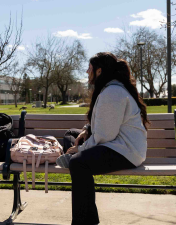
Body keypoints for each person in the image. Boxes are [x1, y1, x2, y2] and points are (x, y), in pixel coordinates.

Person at [57, 52, 149, 225]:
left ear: (99, 71)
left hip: (125, 151)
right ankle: (70, 156)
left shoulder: (113, 92)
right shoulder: (111, 89)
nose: (86, 72)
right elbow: (104, 124)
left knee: (79, 164)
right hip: (115, 145)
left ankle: (85, 222)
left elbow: (105, 135)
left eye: (89, 68)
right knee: (71, 133)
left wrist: (81, 149)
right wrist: (86, 130)